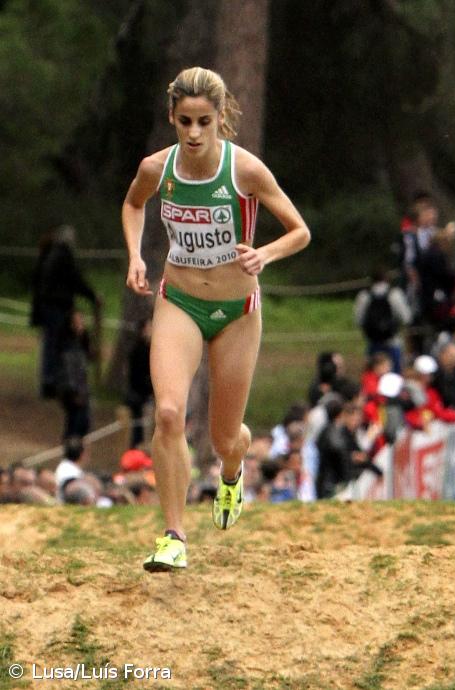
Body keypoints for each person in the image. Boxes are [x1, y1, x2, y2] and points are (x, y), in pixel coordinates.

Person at [122, 67, 311, 572]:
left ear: (220, 118)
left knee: (226, 437)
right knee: (167, 414)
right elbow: (133, 204)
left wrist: (264, 255)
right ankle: (174, 535)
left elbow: (300, 231)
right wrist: (136, 255)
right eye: (184, 121)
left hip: (237, 313)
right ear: (172, 117)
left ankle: (232, 472)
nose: (193, 133)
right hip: (178, 301)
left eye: (204, 121)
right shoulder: (156, 169)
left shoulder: (246, 170)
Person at [30, 225, 101, 399]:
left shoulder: (51, 255)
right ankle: (54, 382)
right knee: (55, 344)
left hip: (49, 306)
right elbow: (75, 279)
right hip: (56, 307)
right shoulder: (63, 256)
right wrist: (92, 295)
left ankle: (54, 381)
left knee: (52, 343)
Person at [355, 269, 412, 374]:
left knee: (372, 375)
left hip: (373, 342)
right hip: (392, 341)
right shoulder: (394, 294)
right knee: (395, 375)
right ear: (387, 279)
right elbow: (406, 317)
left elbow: (359, 320)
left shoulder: (364, 295)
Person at [57, 310, 95, 440]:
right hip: (72, 391)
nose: (81, 325)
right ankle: (71, 448)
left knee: (82, 423)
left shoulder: (81, 342)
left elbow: (89, 357)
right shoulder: (68, 346)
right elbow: (69, 371)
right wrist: (74, 392)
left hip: (81, 389)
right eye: (78, 322)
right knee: (75, 422)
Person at [125, 318, 153, 448]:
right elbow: (137, 375)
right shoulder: (139, 349)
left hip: (145, 394)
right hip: (138, 395)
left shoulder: (150, 348)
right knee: (138, 429)